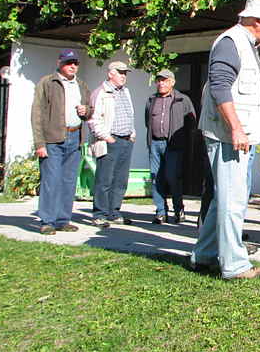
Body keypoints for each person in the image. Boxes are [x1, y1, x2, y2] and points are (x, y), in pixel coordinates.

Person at [191, 0, 260, 280]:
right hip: (228, 136)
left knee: (225, 198)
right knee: (232, 202)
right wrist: (236, 128)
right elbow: (220, 88)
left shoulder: (245, 45)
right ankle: (234, 266)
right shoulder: (230, 43)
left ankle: (204, 255)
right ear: (257, 21)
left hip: (237, 135)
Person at [31, 49, 91, 234]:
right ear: (59, 63)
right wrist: (39, 143)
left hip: (74, 137)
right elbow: (37, 114)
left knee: (68, 181)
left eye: (75, 63)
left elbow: (90, 110)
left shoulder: (81, 85)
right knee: (51, 180)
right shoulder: (47, 83)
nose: (72, 66)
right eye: (68, 62)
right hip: (53, 139)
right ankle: (47, 221)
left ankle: (63, 220)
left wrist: (86, 111)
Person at [89, 61, 137, 228]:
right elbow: (93, 119)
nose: (123, 76)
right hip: (110, 141)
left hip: (126, 140)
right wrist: (107, 137)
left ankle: (114, 212)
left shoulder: (126, 91)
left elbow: (129, 114)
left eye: (125, 73)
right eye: (120, 72)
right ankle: (99, 214)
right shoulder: (101, 92)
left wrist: (132, 134)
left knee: (120, 180)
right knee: (104, 180)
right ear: (110, 73)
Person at [145, 68, 196, 225]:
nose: (161, 83)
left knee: (173, 177)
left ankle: (178, 209)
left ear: (172, 82)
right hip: (155, 143)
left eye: (165, 80)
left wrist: (184, 142)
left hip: (173, 145)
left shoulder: (182, 99)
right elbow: (147, 121)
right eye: (159, 80)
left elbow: (191, 123)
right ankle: (161, 212)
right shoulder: (151, 100)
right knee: (156, 177)